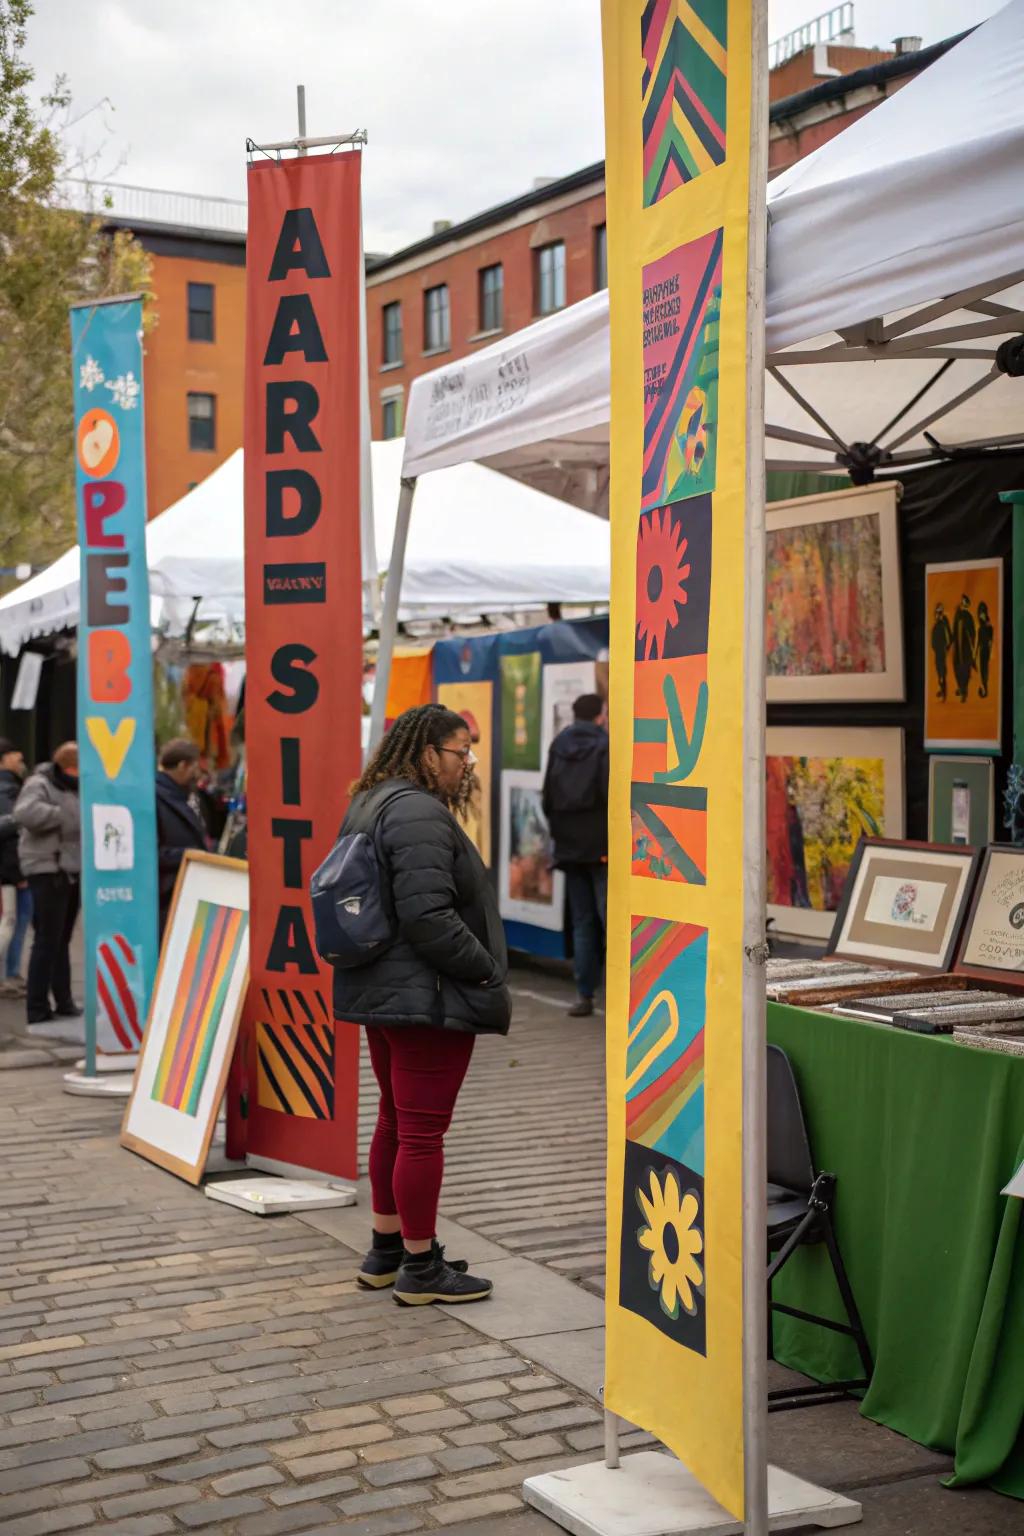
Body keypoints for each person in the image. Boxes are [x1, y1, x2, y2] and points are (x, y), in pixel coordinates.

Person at [333, 704, 510, 1306]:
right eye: (462, 752)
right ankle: (420, 1267)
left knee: (397, 1121)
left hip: (386, 990)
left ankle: (388, 1250)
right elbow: (428, 916)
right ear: (429, 752)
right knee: (422, 1134)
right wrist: (486, 971)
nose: (467, 766)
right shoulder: (417, 811)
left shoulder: (374, 799)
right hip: (423, 997)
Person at [542, 693, 609, 1017]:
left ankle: (585, 995)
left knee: (583, 922)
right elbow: (609, 794)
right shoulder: (605, 745)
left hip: (569, 847)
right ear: (600, 715)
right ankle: (625, 995)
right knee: (612, 920)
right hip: (601, 848)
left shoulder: (558, 745)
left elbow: (547, 798)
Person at [15, 742, 81, 1025]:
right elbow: (24, 814)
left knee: (61, 939)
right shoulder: (40, 783)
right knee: (46, 940)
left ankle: (64, 1000)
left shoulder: (73, 787)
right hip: (47, 868)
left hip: (69, 869)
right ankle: (37, 1007)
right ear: (70, 767)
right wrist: (63, 815)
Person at [155, 739, 208, 936]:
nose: (198, 774)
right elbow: (152, 853)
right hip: (168, 897)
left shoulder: (179, 795)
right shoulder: (157, 797)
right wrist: (190, 854)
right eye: (195, 767)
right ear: (182, 765)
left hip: (183, 891)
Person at [0, 740, 28, 997]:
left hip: (11, 870)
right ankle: (7, 976)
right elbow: (9, 834)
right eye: (14, 754)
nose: (20, 758)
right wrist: (17, 873)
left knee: (14, 922)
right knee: (9, 922)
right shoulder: (7, 788)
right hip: (9, 872)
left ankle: (11, 974)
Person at [952, 594, 976, 703]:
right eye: (962, 601)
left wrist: (972, 647)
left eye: (964, 602)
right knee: (957, 668)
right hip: (958, 649)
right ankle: (961, 688)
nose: (962, 603)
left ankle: (964, 691)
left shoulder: (969, 617)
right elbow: (954, 631)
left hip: (966, 649)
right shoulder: (958, 615)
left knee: (965, 670)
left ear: (967, 604)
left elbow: (972, 633)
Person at [930, 602, 953, 701]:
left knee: (942, 671)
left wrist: (946, 647)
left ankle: (943, 692)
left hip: (941, 650)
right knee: (939, 671)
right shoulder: (937, 625)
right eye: (937, 612)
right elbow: (933, 640)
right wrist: (935, 647)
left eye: (939, 612)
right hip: (938, 651)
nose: (937, 614)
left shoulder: (944, 623)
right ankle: (941, 689)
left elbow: (950, 637)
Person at [976, 600, 994, 699]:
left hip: (986, 650)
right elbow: (978, 642)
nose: (980, 615)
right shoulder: (980, 628)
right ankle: (984, 688)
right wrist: (975, 654)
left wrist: (990, 652)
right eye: (979, 613)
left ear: (985, 613)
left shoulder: (989, 627)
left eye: (982, 613)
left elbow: (990, 641)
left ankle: (984, 688)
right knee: (982, 670)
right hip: (981, 651)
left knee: (984, 669)